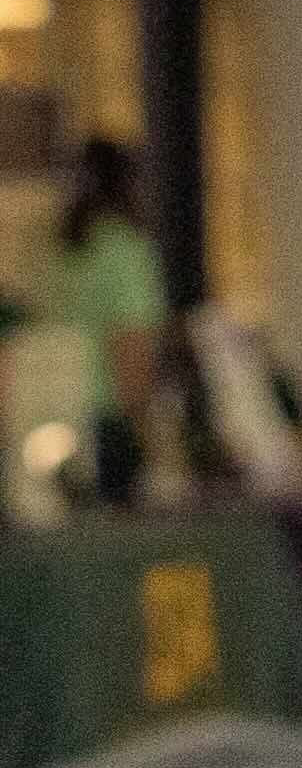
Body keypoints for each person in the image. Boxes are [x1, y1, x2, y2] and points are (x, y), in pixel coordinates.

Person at [45, 138, 168, 507]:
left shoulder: (54, 248)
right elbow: (131, 346)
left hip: (49, 416)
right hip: (105, 424)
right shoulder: (125, 248)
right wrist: (146, 432)